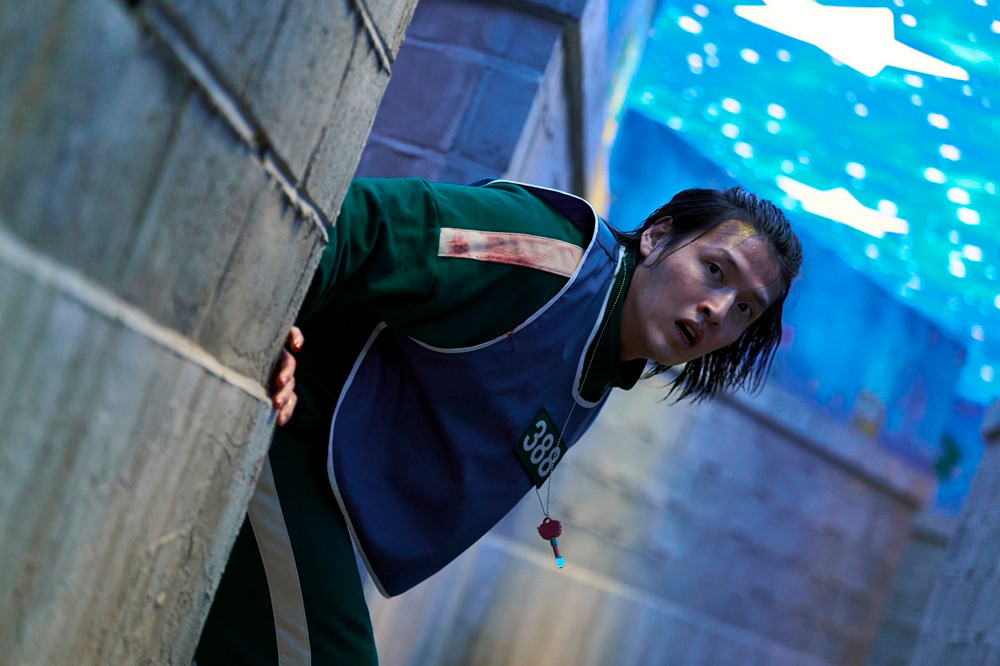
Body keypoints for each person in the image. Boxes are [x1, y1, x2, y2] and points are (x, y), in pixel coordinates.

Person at [194, 177, 802, 665]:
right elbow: (371, 219)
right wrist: (275, 322)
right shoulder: (551, 253)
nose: (718, 309)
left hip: (323, 490)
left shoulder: (605, 363)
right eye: (715, 270)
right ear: (658, 236)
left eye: (745, 310)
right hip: (290, 436)